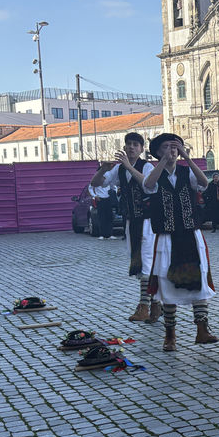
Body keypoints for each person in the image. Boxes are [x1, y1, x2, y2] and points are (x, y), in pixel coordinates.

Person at [141, 134, 218, 350]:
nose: (171, 150)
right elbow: (148, 186)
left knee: (198, 279)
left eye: (175, 147)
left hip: (191, 233)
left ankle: (202, 329)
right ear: (157, 152)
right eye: (166, 147)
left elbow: (203, 183)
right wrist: (163, 162)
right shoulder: (153, 172)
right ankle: (170, 335)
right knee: (167, 281)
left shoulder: (187, 171)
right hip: (167, 235)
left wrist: (187, 157)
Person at [89, 133, 157, 321]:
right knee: (137, 260)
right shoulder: (119, 169)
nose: (131, 147)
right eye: (129, 144)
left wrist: (128, 166)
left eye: (135, 144)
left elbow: (148, 185)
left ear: (141, 149)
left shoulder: (147, 166)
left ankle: (144, 306)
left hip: (148, 220)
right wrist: (102, 170)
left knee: (146, 260)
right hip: (131, 220)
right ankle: (156, 303)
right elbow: (96, 183)